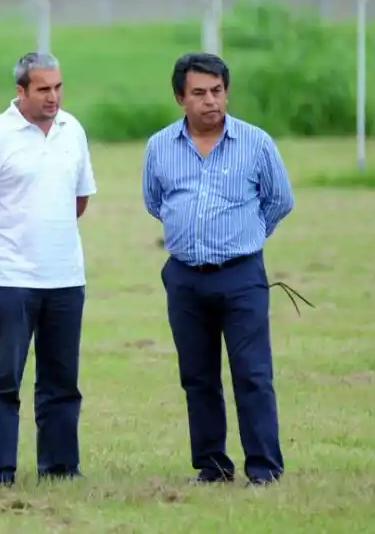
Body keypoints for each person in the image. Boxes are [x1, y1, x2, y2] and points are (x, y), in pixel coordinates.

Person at [141, 52, 296, 487]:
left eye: (217, 91)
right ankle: (212, 466)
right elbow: (155, 202)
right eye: (199, 93)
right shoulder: (159, 147)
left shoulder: (256, 143)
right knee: (197, 376)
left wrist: (244, 239)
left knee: (252, 374)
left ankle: (264, 468)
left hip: (241, 276)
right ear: (180, 98)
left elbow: (280, 200)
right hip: (185, 277)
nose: (211, 101)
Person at [0, 51, 97, 486]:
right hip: (12, 280)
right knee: (5, 380)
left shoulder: (72, 130)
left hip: (66, 278)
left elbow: (80, 197)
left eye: (58, 87)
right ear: (21, 91)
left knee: (61, 381)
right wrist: (8, 246)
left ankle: (59, 467)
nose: (53, 97)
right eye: (43, 89)